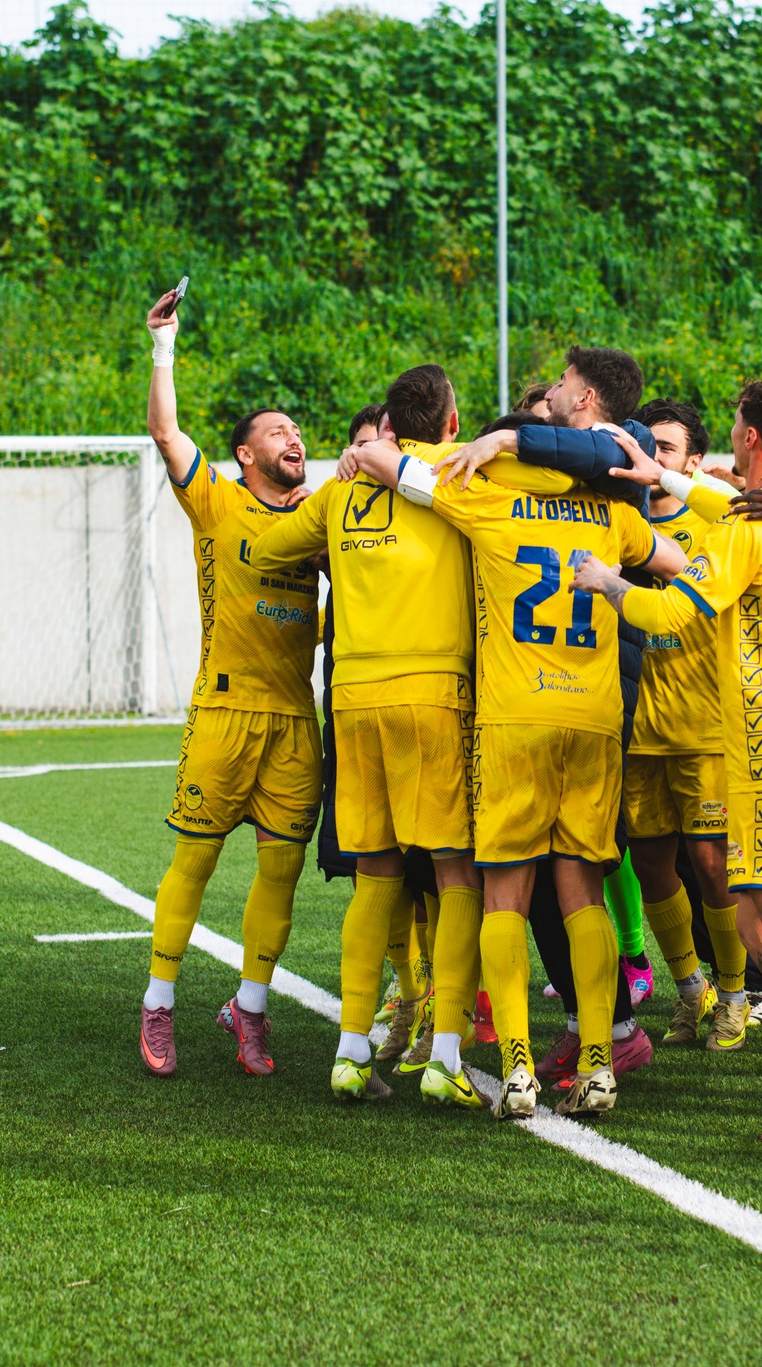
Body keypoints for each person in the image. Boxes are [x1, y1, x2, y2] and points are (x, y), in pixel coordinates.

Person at [346, 348, 686, 1118]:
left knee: (504, 893)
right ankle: (599, 1061)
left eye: (563, 382)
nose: (555, 391)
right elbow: (680, 561)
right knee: (581, 891)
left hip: (513, 716)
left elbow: (391, 467)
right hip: (595, 717)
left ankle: (522, 1070)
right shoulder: (613, 509)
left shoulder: (487, 493)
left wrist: (365, 451)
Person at [577, 380, 762, 1172]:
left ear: (745, 437)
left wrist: (607, 583)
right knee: (761, 923)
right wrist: (658, 474)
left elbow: (674, 611)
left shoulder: (753, 528)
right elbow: (718, 504)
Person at [245, 365, 488, 1109]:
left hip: (353, 699)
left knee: (376, 876)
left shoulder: (342, 493)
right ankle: (446, 1056)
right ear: (450, 425)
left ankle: (351, 1054)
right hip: (433, 695)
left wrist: (332, 524)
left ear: (385, 427)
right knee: (456, 877)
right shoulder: (456, 478)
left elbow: (267, 547)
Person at [137, 288, 320, 1079]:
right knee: (196, 862)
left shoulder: (323, 516)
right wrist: (164, 345)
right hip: (226, 710)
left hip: (294, 720)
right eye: (277, 430)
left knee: (279, 871)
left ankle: (248, 1010)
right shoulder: (214, 498)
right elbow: (165, 431)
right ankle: (159, 1003)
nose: (293, 437)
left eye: (297, 430)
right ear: (245, 453)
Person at [616, 398, 745, 1048]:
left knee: (710, 860)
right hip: (639, 725)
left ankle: (735, 989)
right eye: (648, 445)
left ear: (692, 461)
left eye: (666, 449)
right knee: (650, 862)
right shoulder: (617, 517)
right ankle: (689, 986)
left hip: (704, 723)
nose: (653, 458)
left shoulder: (715, 519)